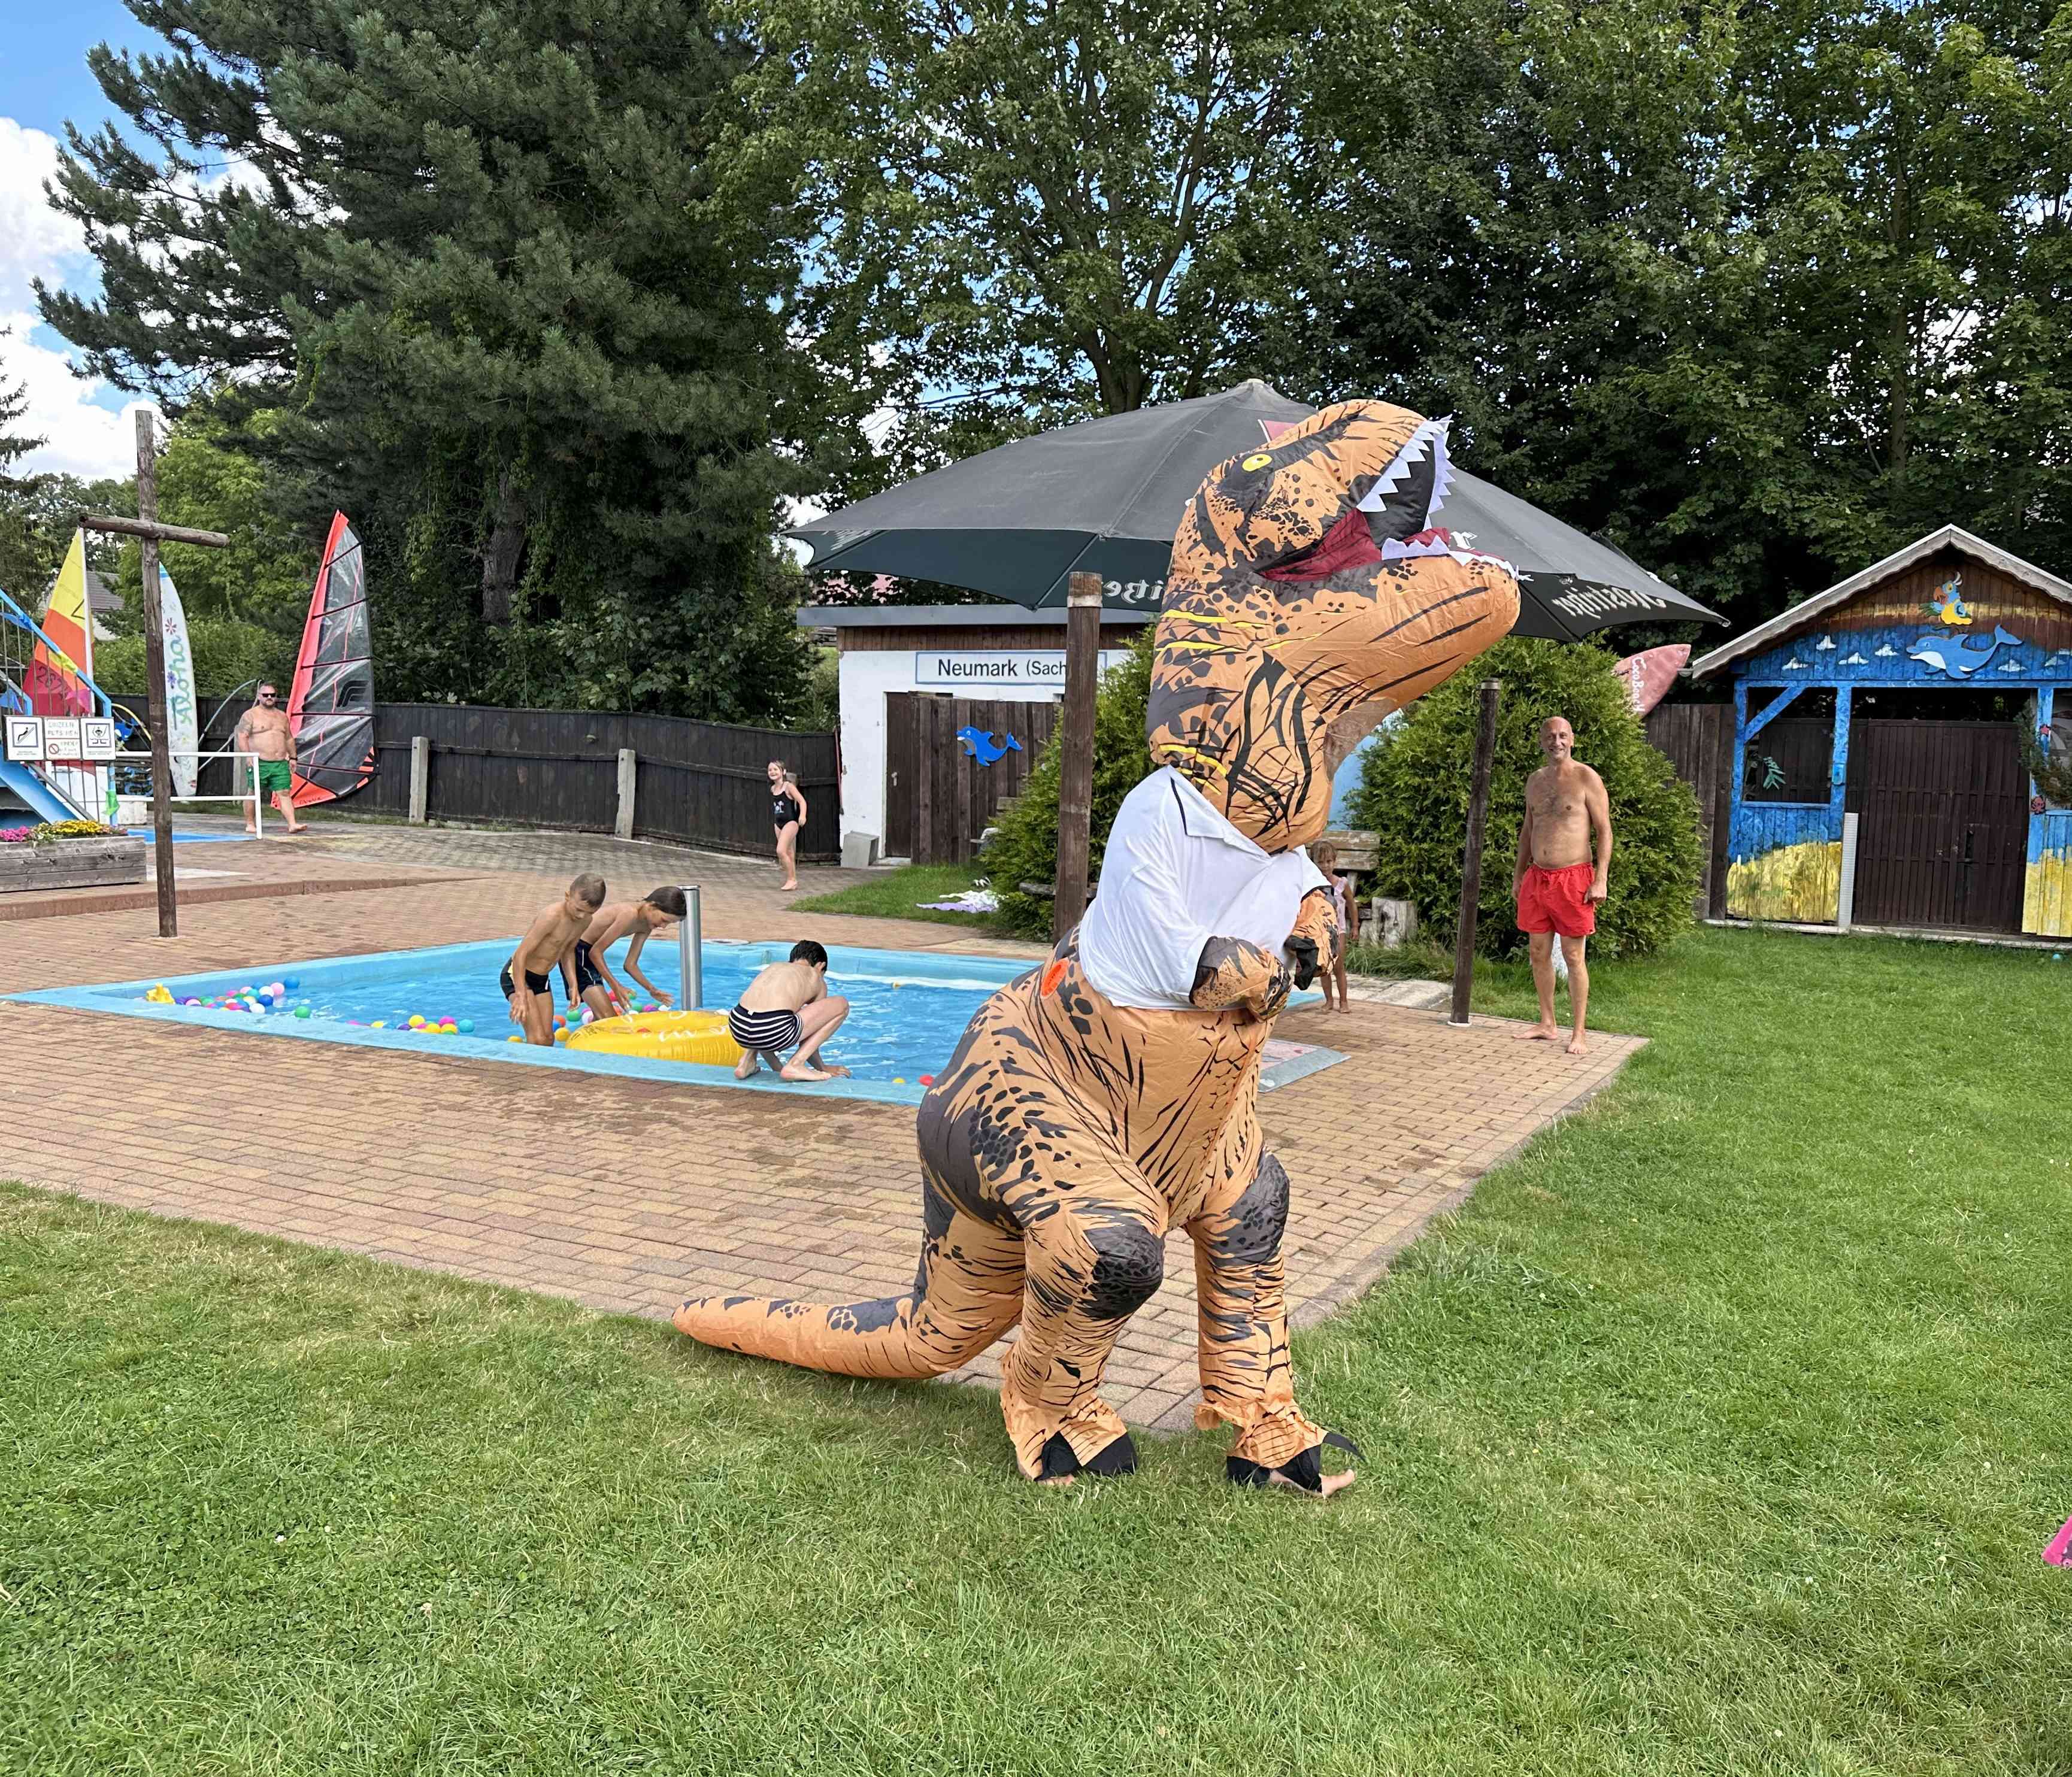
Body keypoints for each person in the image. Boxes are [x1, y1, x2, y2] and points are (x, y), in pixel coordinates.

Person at [1513, 715, 1613, 1056]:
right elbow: (1528, 830)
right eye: (1550, 736)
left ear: (1572, 740)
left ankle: (1579, 1032)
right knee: (1538, 953)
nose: (1556, 741)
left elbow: (1604, 831)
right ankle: (1547, 1023)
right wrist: (1518, 875)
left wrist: (1601, 879)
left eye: (1563, 736)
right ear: (1542, 741)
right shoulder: (1535, 781)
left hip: (1574, 879)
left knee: (1573, 956)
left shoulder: (1587, 778)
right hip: (1537, 877)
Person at [726, 938, 851, 1082]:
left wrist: (778, 1069)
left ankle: (747, 1062)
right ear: (820, 966)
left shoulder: (774, 968)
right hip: (771, 1028)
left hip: (738, 1026)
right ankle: (796, 1065)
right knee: (841, 1004)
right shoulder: (815, 975)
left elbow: (762, 1024)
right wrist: (822, 1067)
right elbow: (809, 1037)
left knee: (764, 1011)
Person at [504, 873, 607, 1045]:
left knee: (548, 1039)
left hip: (541, 979)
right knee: (537, 1039)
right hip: (518, 974)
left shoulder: (585, 921)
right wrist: (520, 995)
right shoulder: (551, 916)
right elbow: (520, 955)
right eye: (579, 910)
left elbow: (568, 951)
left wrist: (573, 985)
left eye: (589, 912)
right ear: (567, 896)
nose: (582, 916)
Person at [559, 887, 684, 1024]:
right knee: (608, 1019)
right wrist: (616, 987)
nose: (664, 926)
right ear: (652, 906)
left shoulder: (647, 925)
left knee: (602, 1019)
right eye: (664, 920)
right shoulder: (629, 914)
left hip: (587, 954)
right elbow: (595, 953)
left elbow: (630, 965)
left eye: (668, 924)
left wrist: (652, 990)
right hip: (576, 950)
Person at [234, 683, 307, 835]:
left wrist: (293, 757)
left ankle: (292, 824)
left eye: (272, 695)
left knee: (284, 792)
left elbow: (289, 738)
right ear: (259, 696)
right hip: (259, 761)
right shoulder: (250, 715)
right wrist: (248, 756)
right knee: (253, 791)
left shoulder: (282, 716)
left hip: (280, 762)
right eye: (266, 695)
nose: (269, 698)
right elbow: (242, 736)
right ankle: (250, 824)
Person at [1308, 839, 1355, 1014]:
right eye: (1320, 862)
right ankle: (1329, 1000)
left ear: (1334, 861)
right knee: (1324, 968)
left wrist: (1355, 926)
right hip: (1321, 931)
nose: (1325, 866)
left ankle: (1344, 1001)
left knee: (1338, 967)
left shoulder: (1342, 884)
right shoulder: (1313, 884)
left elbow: (1351, 904)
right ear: (1313, 862)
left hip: (1339, 930)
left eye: (1329, 861)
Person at [767, 759, 805, 892]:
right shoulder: (773, 789)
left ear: (783, 772)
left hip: (791, 822)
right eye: (770, 770)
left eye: (775, 769)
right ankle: (792, 881)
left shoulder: (788, 787)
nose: (772, 772)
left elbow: (802, 801)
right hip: (778, 823)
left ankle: (792, 880)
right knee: (789, 852)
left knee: (780, 851)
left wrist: (802, 816)